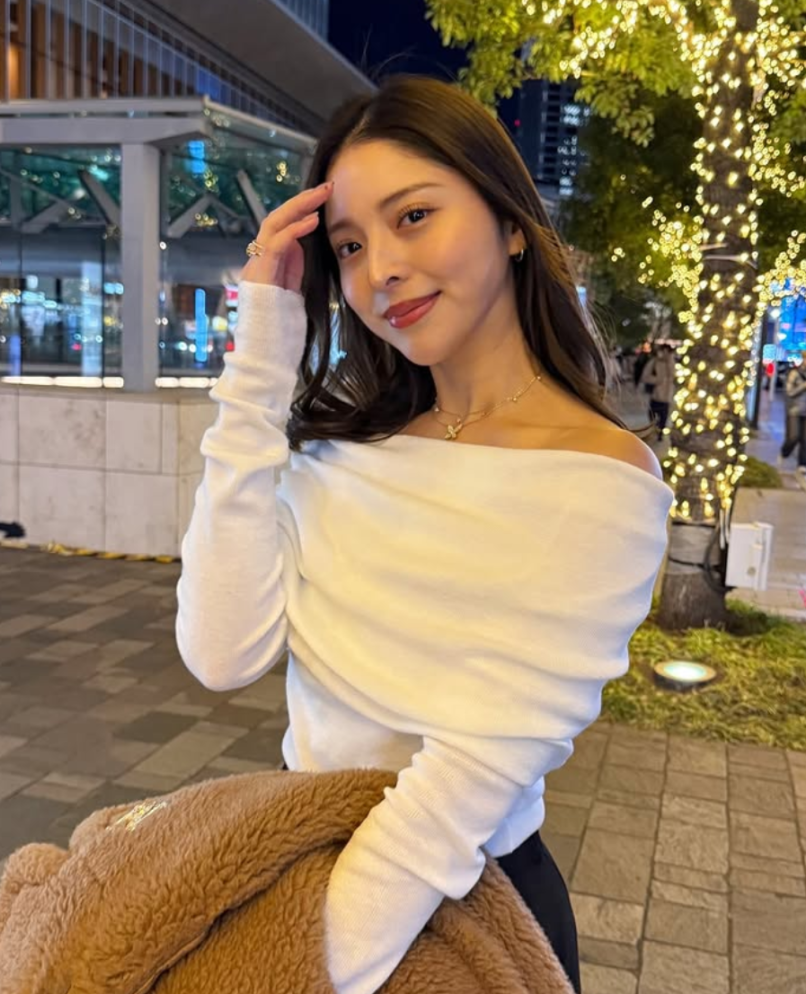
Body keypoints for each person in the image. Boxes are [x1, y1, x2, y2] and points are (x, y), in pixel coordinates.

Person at [176, 76, 673, 994]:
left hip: (458, 907)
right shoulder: (345, 446)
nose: (381, 270)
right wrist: (260, 363)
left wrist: (297, 968)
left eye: (413, 217)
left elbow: (464, 788)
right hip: (298, 856)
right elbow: (220, 651)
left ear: (511, 222)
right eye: (349, 246)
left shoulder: (603, 479)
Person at [780, 349, 806, 477]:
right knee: (793, 437)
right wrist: (803, 386)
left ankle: (802, 465)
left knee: (805, 440)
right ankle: (784, 453)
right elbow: (789, 392)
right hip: (794, 411)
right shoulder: (795, 374)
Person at [642, 344, 675, 437]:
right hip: (656, 395)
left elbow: (673, 376)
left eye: (667, 352)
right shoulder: (654, 362)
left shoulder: (673, 363)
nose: (665, 354)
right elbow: (645, 376)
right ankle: (654, 430)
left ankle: (659, 433)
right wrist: (657, 380)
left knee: (663, 418)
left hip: (667, 397)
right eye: (663, 351)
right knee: (652, 414)